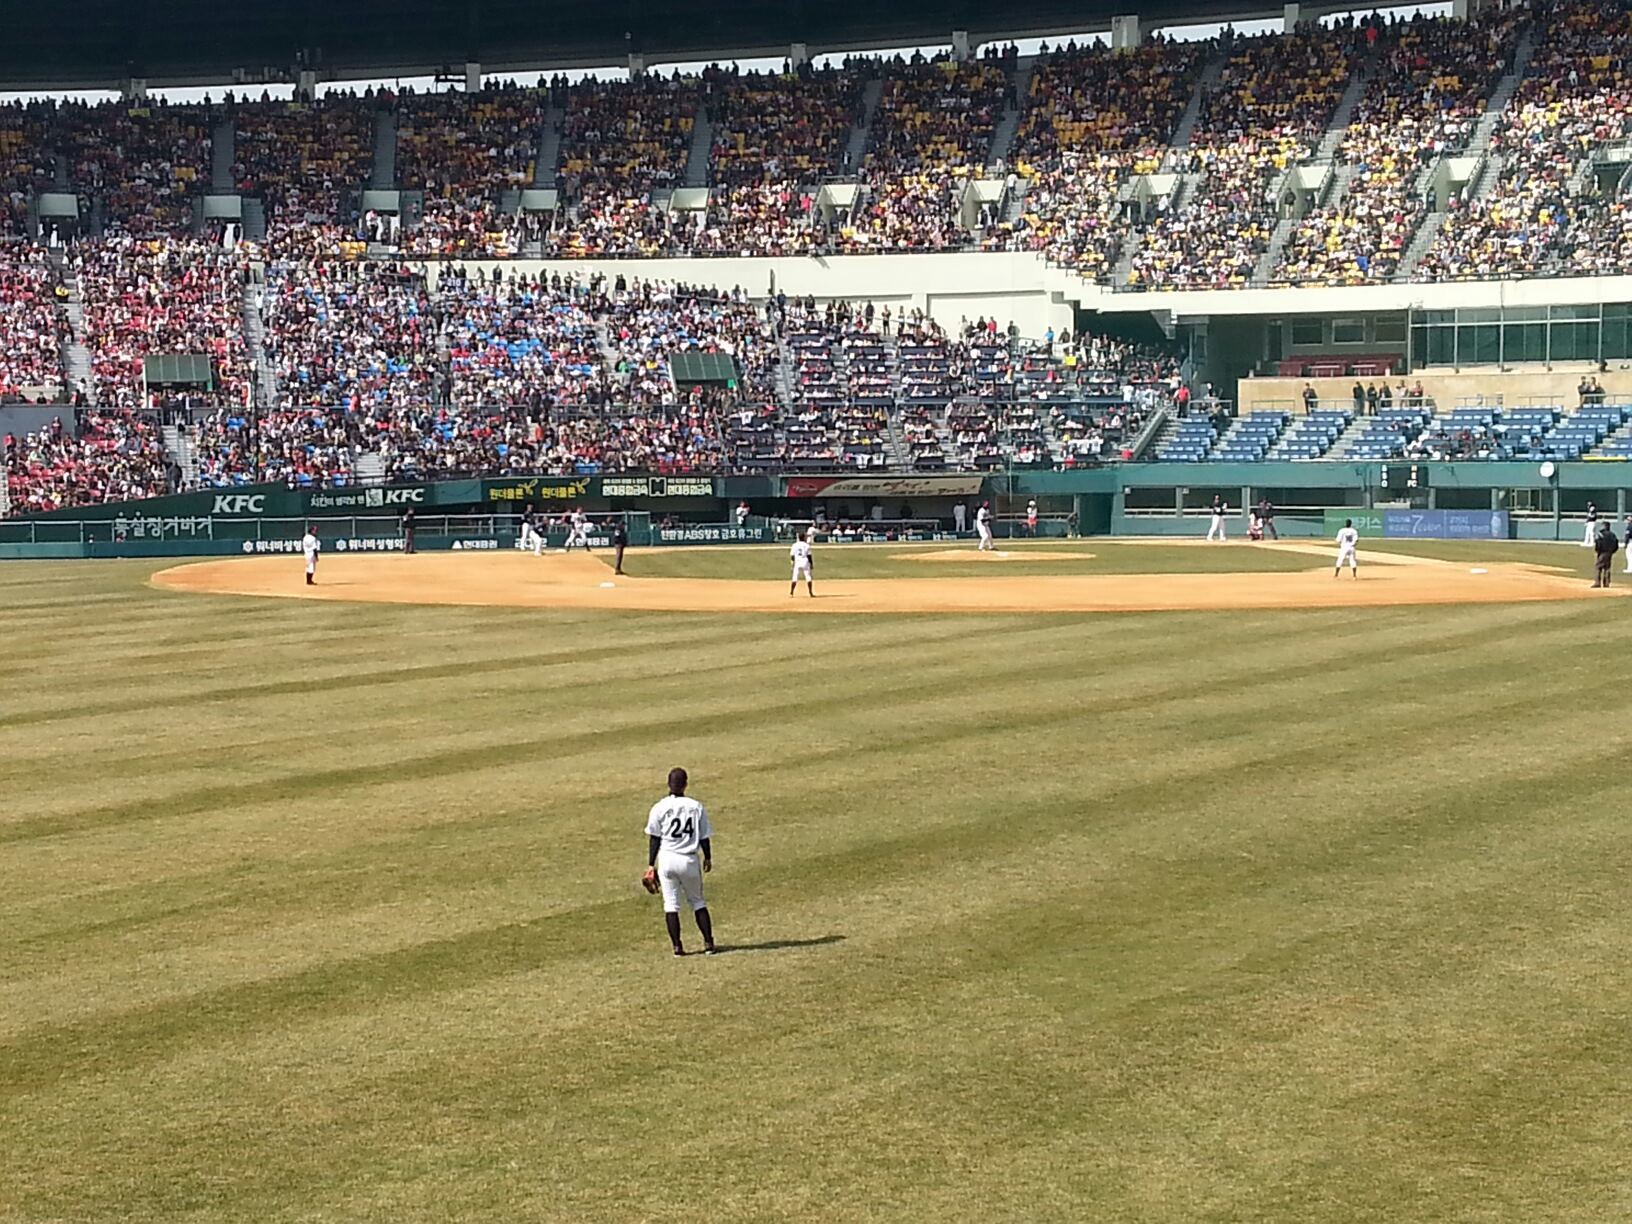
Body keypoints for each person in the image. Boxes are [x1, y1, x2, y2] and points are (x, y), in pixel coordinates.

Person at [644, 767, 716, 957]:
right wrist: (708, 857)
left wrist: (651, 865)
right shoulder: (695, 806)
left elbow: (655, 838)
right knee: (698, 902)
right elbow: (704, 837)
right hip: (689, 859)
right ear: (685, 784)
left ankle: (677, 947)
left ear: (668, 784)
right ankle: (708, 943)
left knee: (671, 904)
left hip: (667, 860)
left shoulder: (659, 807)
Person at [789, 532, 815, 597]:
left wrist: (792, 563)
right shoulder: (807, 545)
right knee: (808, 577)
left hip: (797, 562)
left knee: (795, 577)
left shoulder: (794, 545)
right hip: (805, 561)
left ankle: (791, 592)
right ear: (803, 537)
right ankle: (810, 592)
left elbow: (792, 556)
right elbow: (809, 556)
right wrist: (811, 564)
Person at [1593, 523, 1618, 588]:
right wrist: (1612, 551)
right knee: (1607, 568)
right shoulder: (1613, 535)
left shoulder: (1601, 534)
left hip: (1602, 552)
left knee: (1598, 567)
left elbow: (1598, 544)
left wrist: (1597, 551)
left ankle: (1597, 582)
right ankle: (1606, 583)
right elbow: (1616, 545)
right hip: (1609, 553)